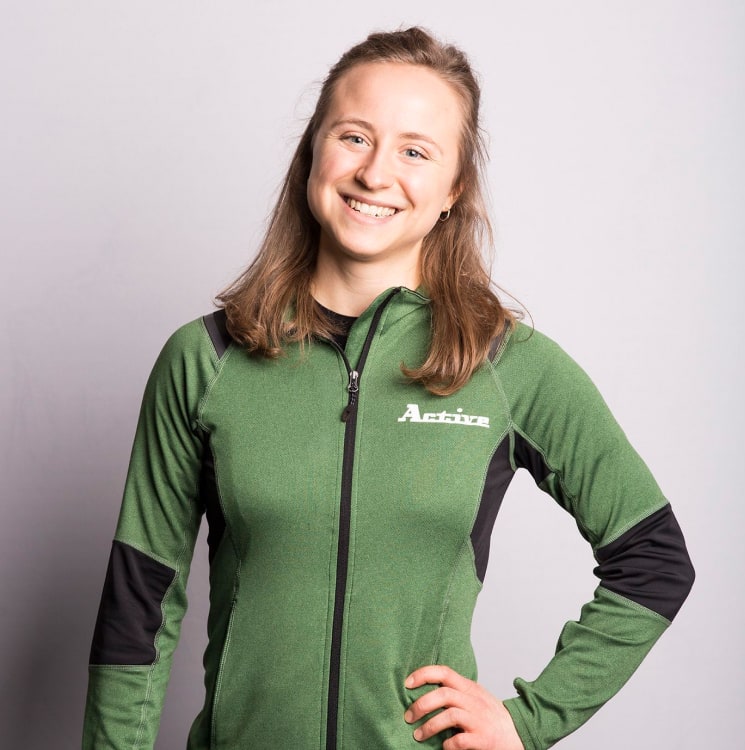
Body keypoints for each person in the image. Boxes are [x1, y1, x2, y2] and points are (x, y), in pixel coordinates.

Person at [83, 27, 694, 750]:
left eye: (415, 151)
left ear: (453, 187)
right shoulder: (206, 359)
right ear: (313, 152)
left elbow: (654, 560)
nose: (375, 174)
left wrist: (529, 721)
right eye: (354, 137)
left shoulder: (507, 366)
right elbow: (139, 602)